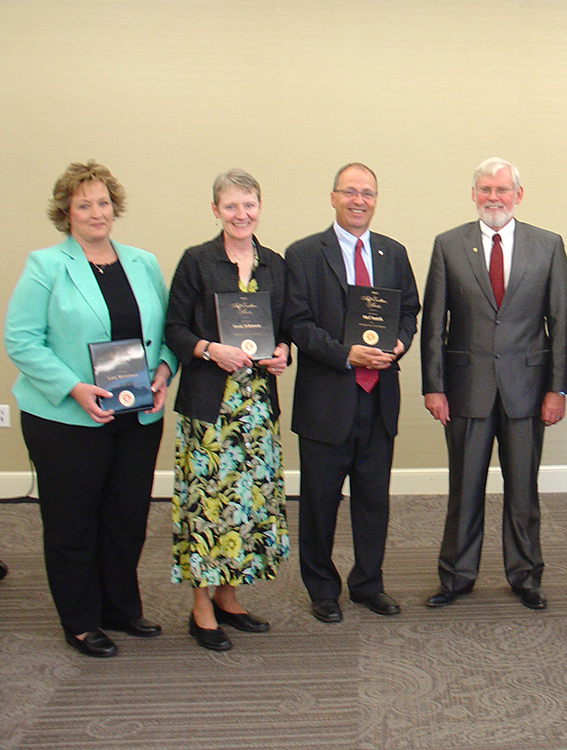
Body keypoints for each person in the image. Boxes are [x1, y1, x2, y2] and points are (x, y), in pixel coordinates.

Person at [4, 161, 175, 657]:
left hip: (138, 414)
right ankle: (80, 621)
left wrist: (163, 372)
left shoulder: (142, 262)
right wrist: (74, 387)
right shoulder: (46, 266)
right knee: (72, 520)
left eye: (103, 202)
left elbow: (166, 332)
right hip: (68, 419)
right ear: (67, 212)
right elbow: (21, 340)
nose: (96, 212)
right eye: (84, 204)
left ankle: (120, 608)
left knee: (126, 516)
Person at [421, 157, 567, 611]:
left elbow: (559, 321)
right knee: (463, 490)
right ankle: (456, 577)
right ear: (473, 194)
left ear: (518, 195)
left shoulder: (548, 245)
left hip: (528, 390)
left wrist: (557, 388)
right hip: (467, 390)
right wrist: (434, 385)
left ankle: (526, 576)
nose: (493, 197)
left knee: (523, 491)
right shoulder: (449, 245)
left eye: (502, 190)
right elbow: (434, 323)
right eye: (485, 189)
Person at [285, 162, 420, 624]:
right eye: (350, 192)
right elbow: (298, 325)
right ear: (333, 197)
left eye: (368, 193)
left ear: (376, 199)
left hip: (379, 398)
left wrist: (400, 343)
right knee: (320, 503)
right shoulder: (302, 254)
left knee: (373, 501)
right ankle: (323, 589)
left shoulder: (393, 253)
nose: (359, 200)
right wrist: (347, 355)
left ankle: (368, 583)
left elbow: (409, 311)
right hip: (327, 400)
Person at [165, 169, 290, 651]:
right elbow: (173, 327)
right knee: (206, 505)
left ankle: (227, 596)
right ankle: (200, 609)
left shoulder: (275, 264)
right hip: (209, 407)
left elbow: (290, 323)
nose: (242, 214)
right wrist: (207, 349)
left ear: (260, 207)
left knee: (247, 503)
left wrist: (283, 350)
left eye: (249, 205)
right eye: (231, 206)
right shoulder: (197, 261)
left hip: (256, 406)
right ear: (216, 210)